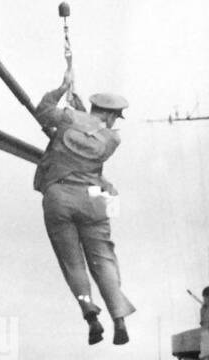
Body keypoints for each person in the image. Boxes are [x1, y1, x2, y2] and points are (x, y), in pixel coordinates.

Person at [34, 67, 135, 346]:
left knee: (72, 263)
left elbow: (43, 110)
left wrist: (61, 88)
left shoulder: (68, 118)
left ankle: (89, 313)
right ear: (111, 114)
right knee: (104, 261)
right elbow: (93, 131)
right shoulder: (113, 140)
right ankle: (119, 319)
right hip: (93, 199)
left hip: (58, 195)